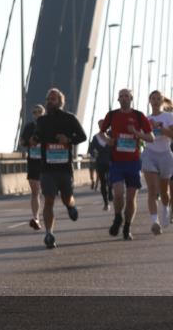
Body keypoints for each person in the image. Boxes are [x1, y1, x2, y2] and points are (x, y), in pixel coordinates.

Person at [32, 88, 87, 248]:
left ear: (60, 102)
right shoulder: (42, 121)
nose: (49, 102)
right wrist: (34, 139)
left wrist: (68, 140)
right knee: (48, 200)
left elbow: (82, 136)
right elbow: (37, 135)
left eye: (53, 99)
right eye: (48, 99)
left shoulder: (69, 119)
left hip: (64, 168)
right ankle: (49, 234)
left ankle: (71, 206)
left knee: (66, 198)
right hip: (47, 168)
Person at [100, 88, 155, 241]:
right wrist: (107, 140)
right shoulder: (112, 115)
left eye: (127, 96)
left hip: (133, 162)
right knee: (118, 194)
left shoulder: (139, 116)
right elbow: (101, 133)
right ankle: (118, 217)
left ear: (131, 99)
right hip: (117, 161)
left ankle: (127, 227)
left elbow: (151, 138)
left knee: (131, 198)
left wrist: (137, 134)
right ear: (118, 100)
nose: (124, 98)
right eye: (121, 96)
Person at [141, 90, 173, 235]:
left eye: (158, 99)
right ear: (149, 101)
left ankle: (165, 208)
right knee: (152, 189)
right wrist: (143, 133)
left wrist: (160, 127)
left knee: (164, 192)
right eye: (153, 99)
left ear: (162, 102)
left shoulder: (169, 116)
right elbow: (143, 138)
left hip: (165, 156)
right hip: (150, 154)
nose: (156, 101)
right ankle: (155, 222)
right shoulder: (145, 118)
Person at [18, 104, 46, 231]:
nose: (36, 113)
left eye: (39, 111)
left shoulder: (47, 126)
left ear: (43, 113)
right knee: (35, 191)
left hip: (46, 162)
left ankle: (46, 215)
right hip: (33, 162)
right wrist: (26, 142)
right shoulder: (29, 126)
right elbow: (22, 142)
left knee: (47, 192)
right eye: (34, 112)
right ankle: (36, 218)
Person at [88, 131, 112, 211]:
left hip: (110, 162)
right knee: (103, 182)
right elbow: (90, 149)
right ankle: (106, 203)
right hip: (100, 162)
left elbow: (117, 145)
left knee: (110, 180)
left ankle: (110, 191)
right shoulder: (96, 137)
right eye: (100, 125)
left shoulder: (111, 134)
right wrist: (95, 154)